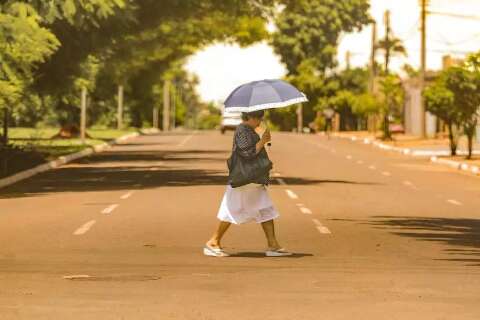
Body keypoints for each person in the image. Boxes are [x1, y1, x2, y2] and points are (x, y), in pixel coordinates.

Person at [204, 110, 292, 257]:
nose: (260, 121)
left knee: (265, 209)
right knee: (231, 210)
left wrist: (263, 139)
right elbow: (247, 153)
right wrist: (262, 141)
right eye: (258, 118)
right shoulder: (241, 131)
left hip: (253, 180)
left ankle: (273, 245)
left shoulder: (249, 130)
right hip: (243, 179)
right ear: (250, 117)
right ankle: (213, 242)